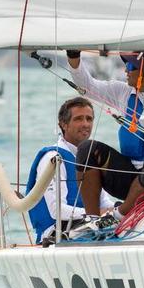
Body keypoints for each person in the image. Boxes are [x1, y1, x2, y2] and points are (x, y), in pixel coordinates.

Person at [66, 49, 144, 215]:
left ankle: (118, 215)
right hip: (126, 179)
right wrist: (74, 57)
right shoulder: (123, 92)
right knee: (87, 149)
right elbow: (87, 86)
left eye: (131, 66)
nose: (126, 70)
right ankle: (93, 218)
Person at [25, 97, 114, 243]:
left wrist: (122, 209)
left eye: (89, 119)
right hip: (57, 233)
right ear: (63, 124)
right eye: (79, 119)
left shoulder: (92, 159)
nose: (86, 124)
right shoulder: (53, 158)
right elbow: (56, 210)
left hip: (90, 225)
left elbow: (104, 203)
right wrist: (95, 214)